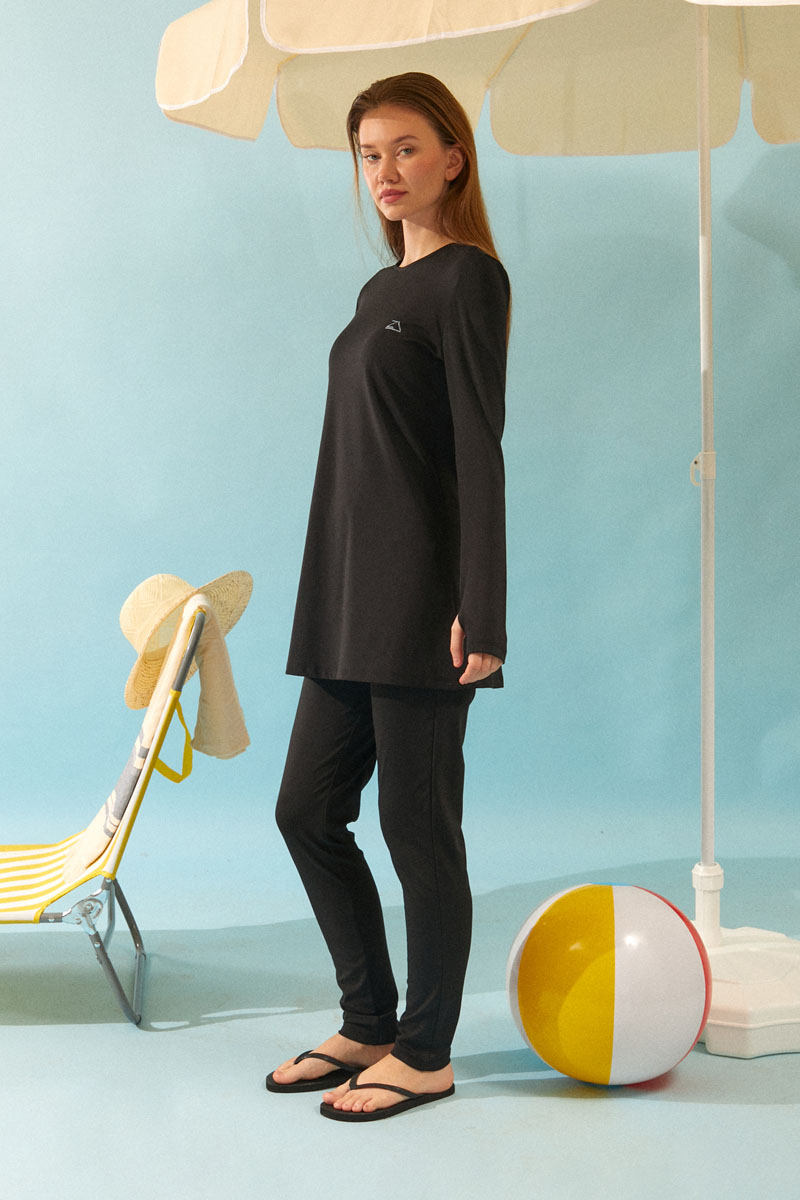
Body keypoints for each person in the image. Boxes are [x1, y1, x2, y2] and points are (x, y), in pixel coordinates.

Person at [266, 72, 510, 1122]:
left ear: (453, 157)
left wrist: (481, 609)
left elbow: (479, 452)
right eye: (369, 154)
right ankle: (367, 1021)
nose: (385, 171)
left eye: (406, 149)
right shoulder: (379, 293)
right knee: (306, 811)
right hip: (345, 600)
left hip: (420, 606)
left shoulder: (468, 280)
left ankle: (426, 1051)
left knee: (419, 831)